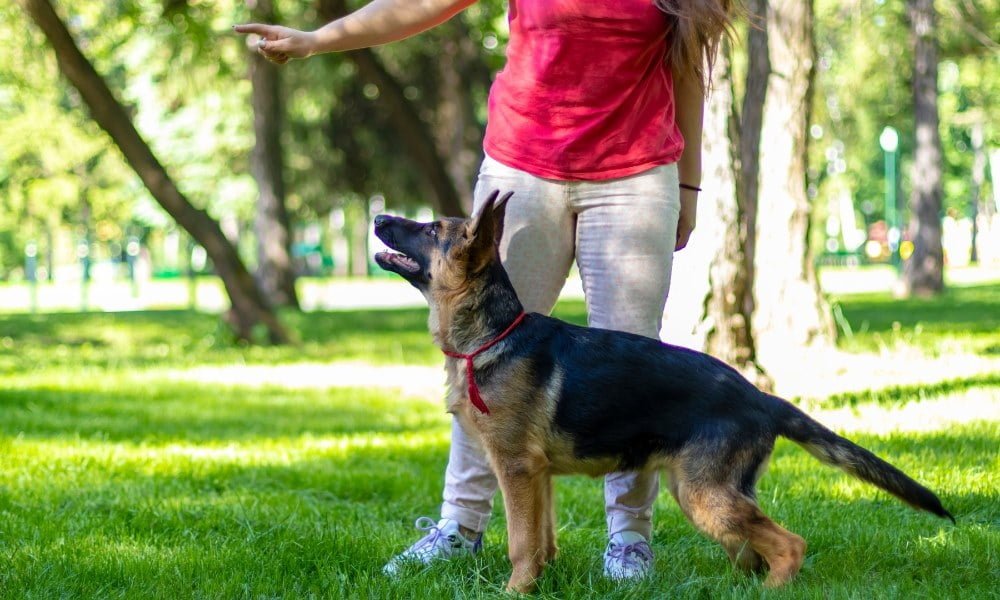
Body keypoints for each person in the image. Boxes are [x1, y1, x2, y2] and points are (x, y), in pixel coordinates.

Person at [236, 0, 733, 581]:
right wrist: (317, 39)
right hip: (523, 174)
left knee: (631, 361)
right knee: (482, 363)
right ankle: (460, 527)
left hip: (634, 179)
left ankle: (628, 539)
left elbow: (688, 71)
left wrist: (689, 185)